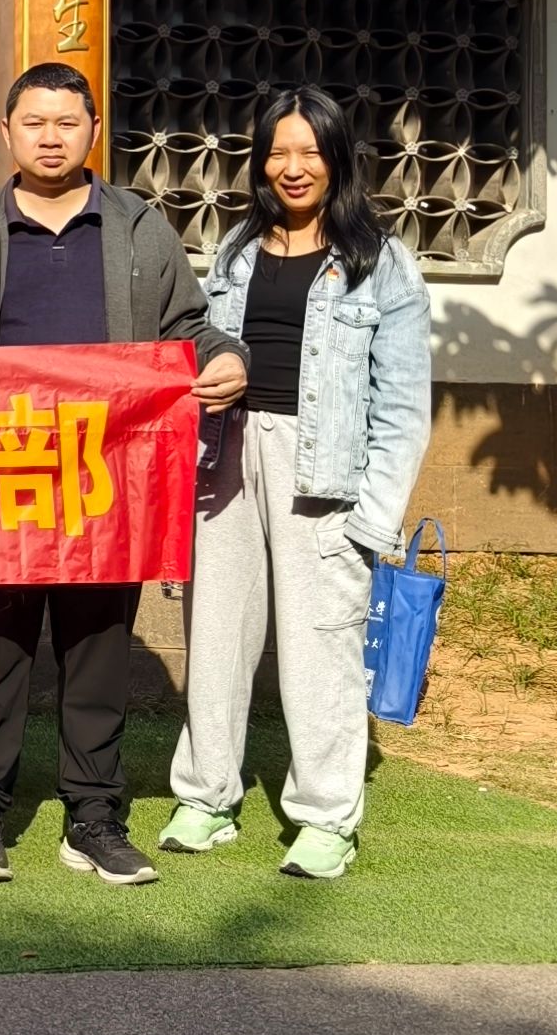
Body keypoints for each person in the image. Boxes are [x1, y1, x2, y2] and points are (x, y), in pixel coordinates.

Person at [0, 62, 247, 888]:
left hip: (108, 478)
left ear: (93, 130)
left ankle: (93, 817)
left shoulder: (139, 228)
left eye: (67, 122)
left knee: (97, 651)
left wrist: (226, 356)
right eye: (34, 123)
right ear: (8, 131)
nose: (50, 138)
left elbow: (189, 325)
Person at [164, 86, 431, 881]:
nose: (292, 167)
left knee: (320, 646)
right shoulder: (235, 251)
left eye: (309, 152)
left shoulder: (382, 262)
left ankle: (325, 816)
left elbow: (403, 405)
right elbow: (200, 347)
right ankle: (207, 797)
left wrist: (374, 517)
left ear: (337, 159)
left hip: (324, 471)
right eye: (278, 152)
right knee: (217, 633)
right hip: (226, 455)